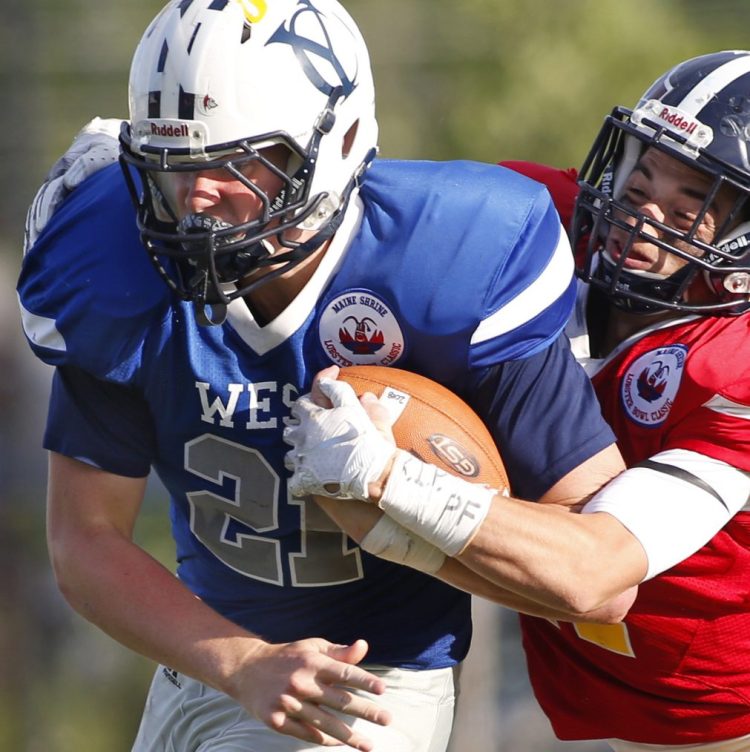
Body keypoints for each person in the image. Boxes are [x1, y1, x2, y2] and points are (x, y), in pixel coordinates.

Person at [16, 1, 631, 750]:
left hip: (360, 687)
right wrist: (240, 662)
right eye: (173, 166)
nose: (197, 197)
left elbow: (598, 575)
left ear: (337, 142)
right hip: (199, 662)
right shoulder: (112, 258)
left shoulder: (453, 259)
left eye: (236, 162)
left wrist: (393, 482)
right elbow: (83, 540)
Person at [284, 51, 750, 751]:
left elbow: (593, 572)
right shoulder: (535, 221)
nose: (643, 213)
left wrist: (386, 481)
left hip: (701, 711)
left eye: (691, 204)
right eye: (640, 173)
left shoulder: (732, 365)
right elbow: (342, 204)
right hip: (563, 667)